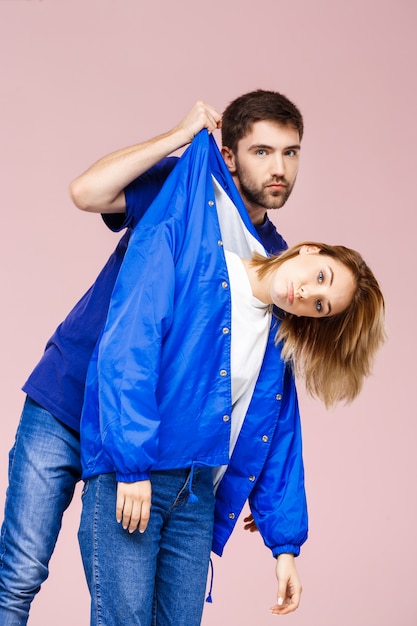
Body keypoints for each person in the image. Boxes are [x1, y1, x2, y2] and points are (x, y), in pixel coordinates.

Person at [0, 90, 304, 625]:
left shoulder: (275, 263)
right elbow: (85, 191)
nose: (278, 167)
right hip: (67, 403)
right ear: (229, 154)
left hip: (145, 437)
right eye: (262, 151)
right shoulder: (182, 187)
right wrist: (177, 138)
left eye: (290, 152)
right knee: (20, 575)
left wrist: (280, 532)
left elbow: (266, 395)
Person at [76, 129, 385, 626]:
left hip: (197, 496)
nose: (308, 293)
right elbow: (129, 345)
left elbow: (280, 437)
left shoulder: (275, 341)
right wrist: (131, 467)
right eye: (322, 276)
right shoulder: (203, 257)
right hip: (136, 475)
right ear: (308, 250)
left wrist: (285, 548)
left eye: (322, 305)